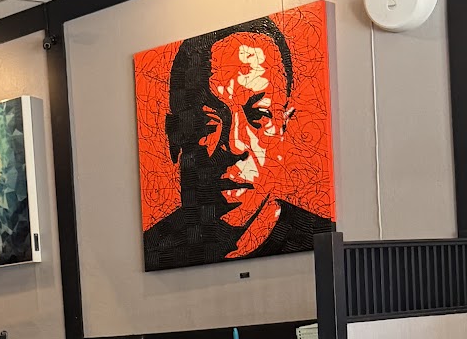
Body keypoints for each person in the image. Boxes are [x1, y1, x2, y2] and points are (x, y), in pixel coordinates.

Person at [143, 16, 333, 271]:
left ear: (283, 127)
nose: (234, 146)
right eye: (208, 122)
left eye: (259, 116)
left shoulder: (322, 239)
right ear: (175, 135)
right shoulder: (154, 248)